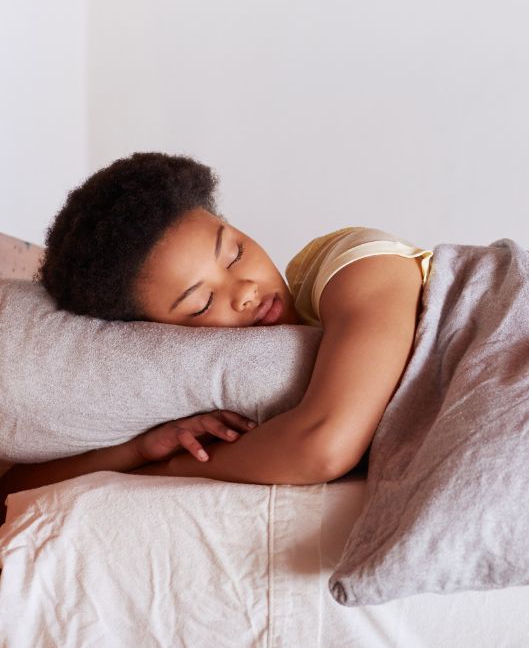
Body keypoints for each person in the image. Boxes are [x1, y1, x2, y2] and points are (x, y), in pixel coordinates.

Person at [0, 152, 431, 505]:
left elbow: (325, 447)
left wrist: (168, 469)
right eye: (202, 302)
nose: (244, 291)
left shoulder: (351, 264)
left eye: (235, 253)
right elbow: (12, 492)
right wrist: (138, 450)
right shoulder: (199, 392)